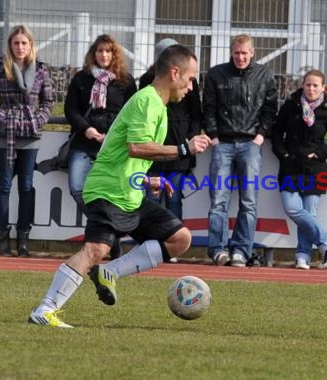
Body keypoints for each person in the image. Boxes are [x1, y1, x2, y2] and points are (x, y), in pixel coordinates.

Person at [28, 45, 211, 328]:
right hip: (108, 190)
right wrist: (184, 149)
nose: (191, 86)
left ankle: (110, 273)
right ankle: (45, 309)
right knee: (95, 250)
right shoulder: (147, 101)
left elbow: (124, 154)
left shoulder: (157, 105)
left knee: (180, 239)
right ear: (175, 72)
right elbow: (136, 147)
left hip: (129, 192)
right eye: (190, 78)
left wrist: (145, 179)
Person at [202, 34, 278, 267]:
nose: (241, 57)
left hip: (251, 144)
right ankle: (218, 249)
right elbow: (208, 108)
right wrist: (214, 136)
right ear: (231, 52)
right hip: (222, 143)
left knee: (249, 201)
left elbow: (270, 108)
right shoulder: (216, 74)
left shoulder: (265, 75)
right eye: (237, 52)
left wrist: (260, 136)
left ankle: (242, 251)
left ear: (253, 52)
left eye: (245, 53)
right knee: (218, 201)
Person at [0, 24, 53, 257]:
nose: (20, 47)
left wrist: (38, 120)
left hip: (30, 134)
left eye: (24, 43)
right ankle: (2, 238)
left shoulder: (41, 70)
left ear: (30, 45)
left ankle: (24, 239)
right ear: (10, 45)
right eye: (16, 43)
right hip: (5, 133)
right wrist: (1, 117)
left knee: (26, 186)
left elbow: (48, 101)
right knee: (4, 185)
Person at [64, 34, 137, 259]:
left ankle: (106, 237)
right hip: (84, 143)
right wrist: (87, 129)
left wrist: (112, 135)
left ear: (114, 54)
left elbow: (131, 113)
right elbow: (71, 109)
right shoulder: (81, 78)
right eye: (99, 51)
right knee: (77, 188)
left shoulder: (126, 81)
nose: (103, 55)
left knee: (110, 194)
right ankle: (110, 234)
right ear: (93, 54)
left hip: (113, 147)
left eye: (108, 51)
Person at [271, 69, 327, 269]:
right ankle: (326, 242)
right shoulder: (290, 106)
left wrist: (321, 153)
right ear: (303, 85)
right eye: (308, 84)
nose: (311, 89)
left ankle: (302, 256)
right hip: (290, 166)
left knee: (309, 213)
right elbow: (277, 133)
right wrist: (283, 154)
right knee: (293, 208)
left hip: (315, 168)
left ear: (323, 88)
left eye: (315, 85)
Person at [139, 38, 203, 224]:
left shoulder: (189, 82)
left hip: (179, 148)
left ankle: (173, 240)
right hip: (154, 149)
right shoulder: (146, 81)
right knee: (152, 198)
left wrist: (189, 141)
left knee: (174, 198)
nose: (188, 86)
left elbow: (196, 114)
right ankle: (151, 241)